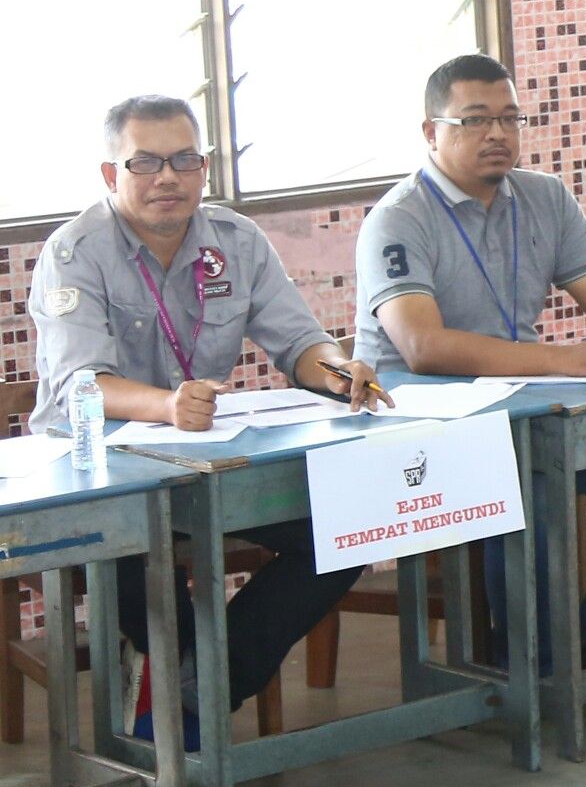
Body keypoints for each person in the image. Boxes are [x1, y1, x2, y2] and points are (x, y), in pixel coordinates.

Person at [28, 95, 387, 746]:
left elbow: (299, 340)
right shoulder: (74, 251)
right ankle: (181, 720)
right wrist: (167, 405)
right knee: (142, 564)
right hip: (100, 469)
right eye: (145, 162)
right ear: (111, 174)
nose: (167, 176)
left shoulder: (236, 241)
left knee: (345, 523)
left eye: (184, 160)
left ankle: (197, 692)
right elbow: (83, 383)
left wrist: (338, 369)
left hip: (204, 461)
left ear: (205, 167)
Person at [354, 54, 586, 668]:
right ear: (431, 132)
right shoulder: (398, 218)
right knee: (522, 467)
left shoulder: (543, 196)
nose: (497, 134)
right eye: (474, 120)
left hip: (521, 402)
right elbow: (422, 347)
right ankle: (531, 661)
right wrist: (563, 360)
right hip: (419, 418)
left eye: (510, 118)